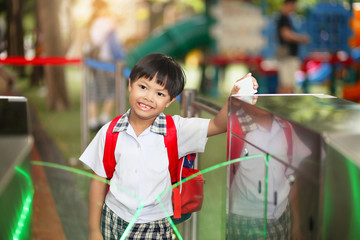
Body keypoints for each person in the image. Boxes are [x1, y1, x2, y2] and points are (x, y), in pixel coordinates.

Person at [79, 53, 258, 240]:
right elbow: (98, 181)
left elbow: (217, 125)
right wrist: (94, 230)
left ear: (170, 101)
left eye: (160, 93)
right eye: (143, 87)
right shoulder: (110, 131)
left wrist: (235, 98)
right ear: (130, 84)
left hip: (155, 224)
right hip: (113, 218)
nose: (148, 97)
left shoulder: (177, 130)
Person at [227, 100, 311, 239]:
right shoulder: (233, 128)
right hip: (246, 219)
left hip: (283, 215)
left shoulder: (285, 127)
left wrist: (296, 223)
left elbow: (291, 178)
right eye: (255, 95)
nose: (261, 100)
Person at [85, 0, 126, 131]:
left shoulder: (93, 23)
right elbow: (115, 45)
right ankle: (104, 118)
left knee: (96, 89)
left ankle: (92, 121)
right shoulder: (108, 22)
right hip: (109, 62)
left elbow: (93, 43)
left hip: (97, 61)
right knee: (113, 90)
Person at [276, 0, 309, 93]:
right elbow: (286, 34)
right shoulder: (283, 18)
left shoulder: (287, 18)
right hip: (287, 56)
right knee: (287, 85)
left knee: (288, 85)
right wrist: (301, 39)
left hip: (288, 55)